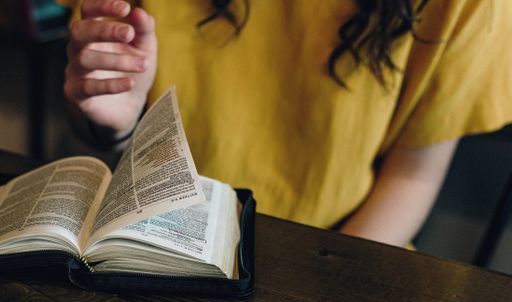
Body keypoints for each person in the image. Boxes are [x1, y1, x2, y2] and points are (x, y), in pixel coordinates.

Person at [62, 0, 512, 247]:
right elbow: (100, 133)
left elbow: (414, 174)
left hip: (342, 252)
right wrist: (115, 124)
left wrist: (321, 284)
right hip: (152, 241)